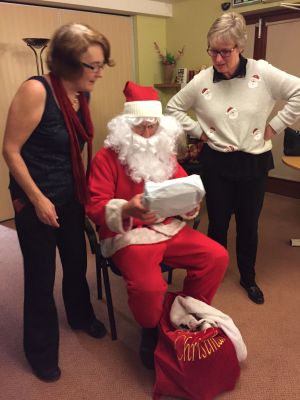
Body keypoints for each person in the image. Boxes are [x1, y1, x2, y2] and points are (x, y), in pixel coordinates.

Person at [86, 81, 229, 369]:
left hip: (167, 229)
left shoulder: (165, 153)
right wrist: (127, 207)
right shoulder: (106, 158)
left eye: (153, 126)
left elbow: (182, 186)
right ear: (126, 127)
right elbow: (95, 205)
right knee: (150, 287)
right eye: (141, 127)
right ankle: (150, 331)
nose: (148, 134)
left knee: (217, 256)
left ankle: (187, 310)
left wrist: (190, 204)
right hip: (127, 235)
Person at [2, 22, 114, 382]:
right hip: (34, 198)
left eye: (101, 64)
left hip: (69, 195)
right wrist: (37, 199)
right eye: (92, 65)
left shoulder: (83, 93)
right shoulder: (36, 91)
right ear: (66, 63)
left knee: (76, 261)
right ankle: (40, 351)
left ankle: (80, 316)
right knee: (40, 276)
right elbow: (11, 150)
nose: (99, 73)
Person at [166, 12, 300, 305]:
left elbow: (298, 91)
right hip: (216, 163)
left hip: (253, 162)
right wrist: (198, 130)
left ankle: (248, 277)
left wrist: (274, 126)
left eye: (225, 51)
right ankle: (212, 274)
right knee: (217, 224)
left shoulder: (262, 73)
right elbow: (173, 107)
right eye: (213, 50)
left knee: (249, 225)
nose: (218, 58)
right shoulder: (202, 80)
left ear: (240, 47)